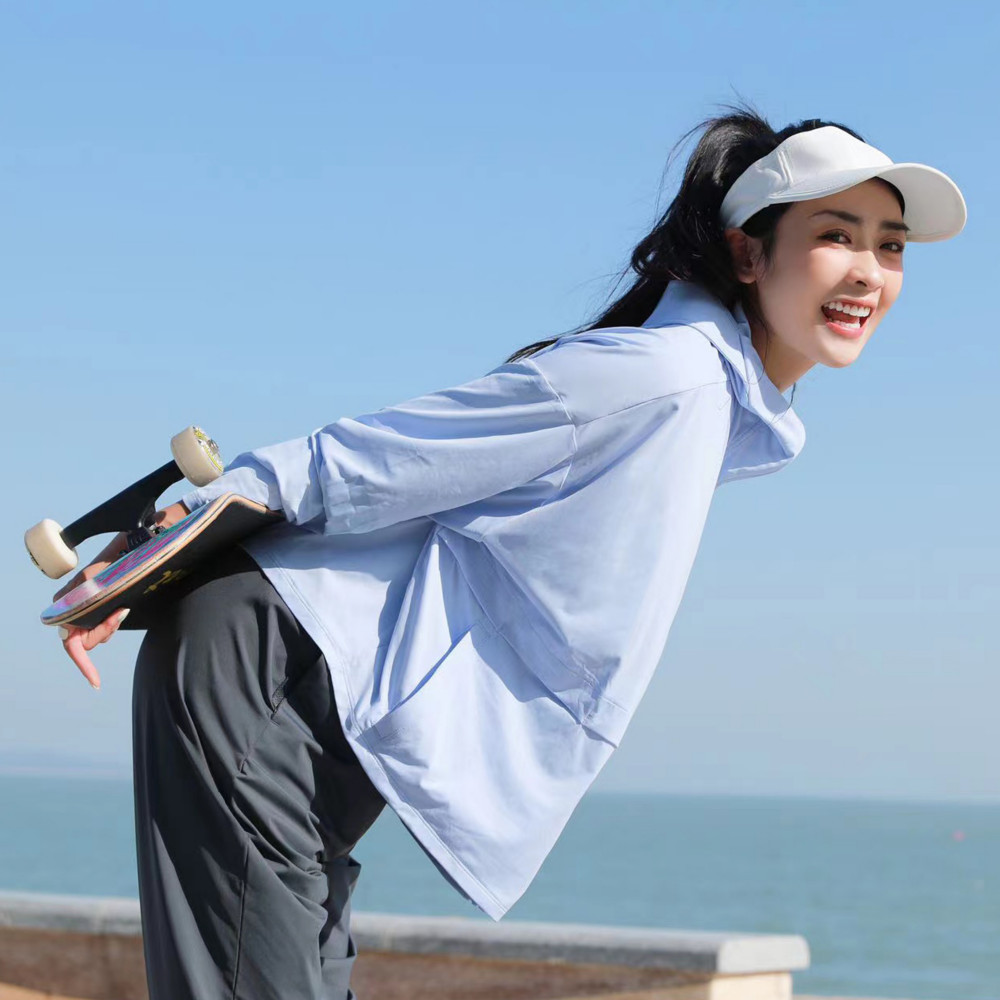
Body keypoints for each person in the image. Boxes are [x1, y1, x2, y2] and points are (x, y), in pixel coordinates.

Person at [52, 103, 967, 999]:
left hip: (313, 700)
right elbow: (395, 452)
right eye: (837, 235)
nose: (869, 271)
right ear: (747, 252)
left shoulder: (711, 402)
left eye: (891, 246)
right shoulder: (670, 374)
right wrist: (167, 541)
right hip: (271, 675)